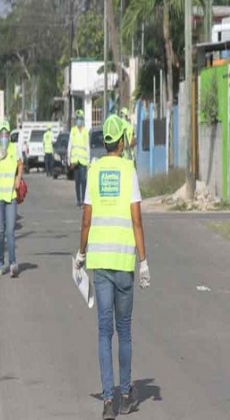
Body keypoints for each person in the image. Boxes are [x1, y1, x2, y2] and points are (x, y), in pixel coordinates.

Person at [74, 114, 150, 420]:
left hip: (100, 264)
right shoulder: (129, 170)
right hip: (123, 261)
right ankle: (126, 393)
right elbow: (136, 220)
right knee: (125, 331)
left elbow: (86, 220)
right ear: (121, 142)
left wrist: (81, 254)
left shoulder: (93, 171)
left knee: (104, 331)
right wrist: (143, 262)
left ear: (104, 142)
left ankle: (108, 400)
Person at [0, 121, 23, 278]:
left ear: (9, 136)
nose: (4, 137)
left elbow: (20, 163)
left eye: (6, 134)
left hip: (11, 196)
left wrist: (18, 178)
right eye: (2, 134)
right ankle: (0, 262)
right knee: (1, 231)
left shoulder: (14, 148)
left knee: (10, 231)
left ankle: (13, 263)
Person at [68, 109, 90, 208]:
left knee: (83, 181)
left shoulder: (85, 131)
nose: (78, 120)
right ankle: (78, 200)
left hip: (83, 160)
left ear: (83, 120)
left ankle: (84, 200)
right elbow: (70, 145)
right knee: (77, 181)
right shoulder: (73, 130)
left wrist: (88, 161)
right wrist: (69, 158)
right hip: (75, 160)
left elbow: (87, 146)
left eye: (80, 119)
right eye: (77, 119)